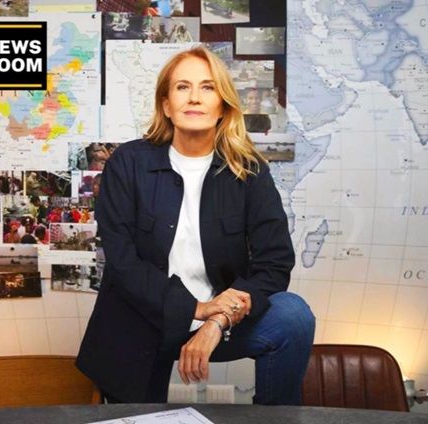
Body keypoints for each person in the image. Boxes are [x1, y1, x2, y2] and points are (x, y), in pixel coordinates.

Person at [76, 46, 315, 404]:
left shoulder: (249, 171)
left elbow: (275, 263)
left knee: (293, 315)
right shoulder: (128, 163)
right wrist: (193, 308)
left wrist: (217, 319)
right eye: (182, 87)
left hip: (222, 320)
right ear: (166, 105)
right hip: (143, 318)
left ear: (223, 105)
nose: (194, 98)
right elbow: (123, 262)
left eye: (207, 87)